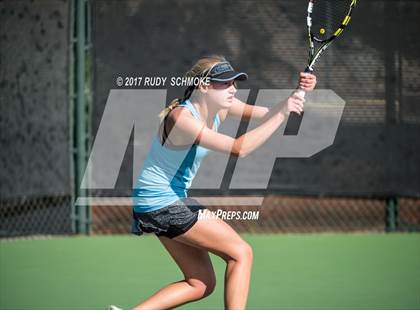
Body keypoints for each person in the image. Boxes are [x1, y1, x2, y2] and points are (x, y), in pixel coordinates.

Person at [107, 55, 316, 310]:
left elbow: (269, 114)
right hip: (161, 201)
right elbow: (239, 148)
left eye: (235, 83)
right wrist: (283, 112)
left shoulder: (223, 106)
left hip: (162, 200)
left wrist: (297, 95)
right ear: (204, 86)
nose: (233, 89)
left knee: (201, 282)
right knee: (241, 253)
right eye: (225, 83)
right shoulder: (181, 118)